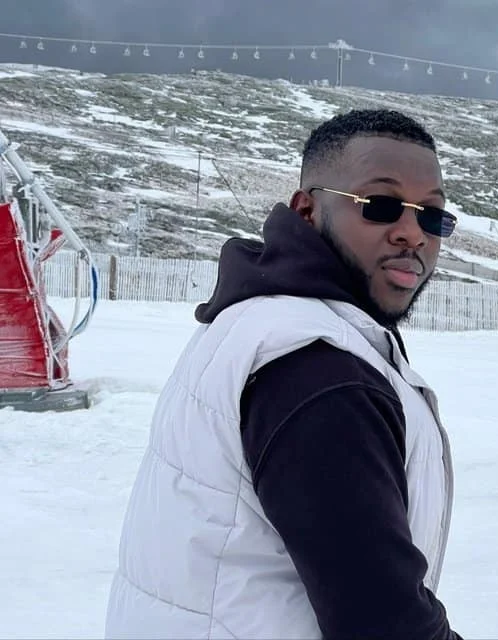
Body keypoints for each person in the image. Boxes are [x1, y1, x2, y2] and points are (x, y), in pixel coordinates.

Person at [105, 108, 460, 639]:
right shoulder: (320, 372)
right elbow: (385, 622)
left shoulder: (262, 316)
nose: (412, 234)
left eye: (432, 216)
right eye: (380, 206)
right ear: (307, 210)